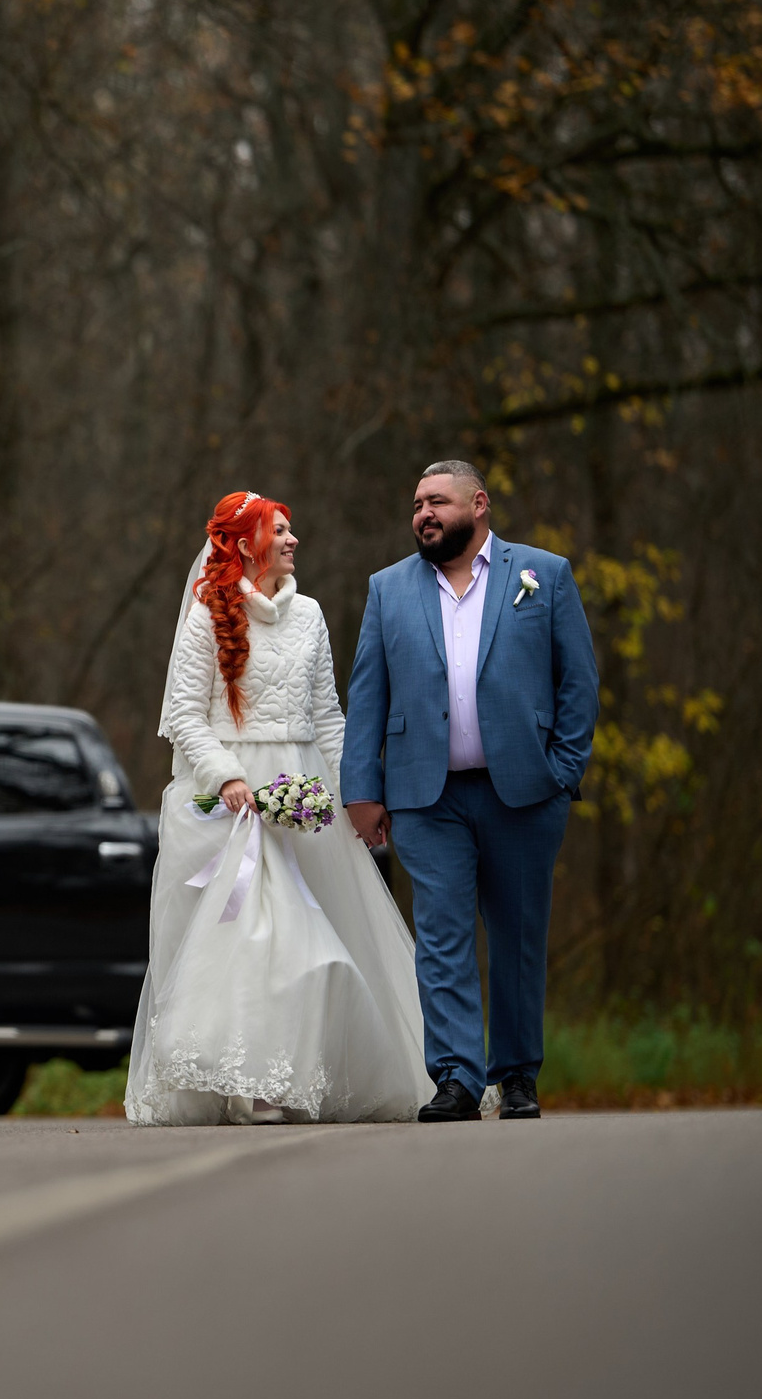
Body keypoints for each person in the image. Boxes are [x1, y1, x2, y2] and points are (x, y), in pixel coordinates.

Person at [126, 492, 430, 1126]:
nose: (293, 540)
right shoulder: (208, 615)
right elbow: (184, 715)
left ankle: (298, 1075)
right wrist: (228, 777)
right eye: (279, 530)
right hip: (229, 801)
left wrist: (356, 791)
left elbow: (326, 716)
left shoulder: (311, 615)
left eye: (292, 529)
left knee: (315, 944)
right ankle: (252, 1086)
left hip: (301, 791)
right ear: (243, 545)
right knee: (257, 942)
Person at [340, 461, 598, 1122]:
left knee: (516, 936)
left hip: (523, 792)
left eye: (438, 500)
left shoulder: (543, 576)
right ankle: (456, 1076)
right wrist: (362, 788)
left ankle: (516, 1076)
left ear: (478, 504)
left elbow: (578, 683)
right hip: (426, 797)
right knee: (442, 933)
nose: (424, 512)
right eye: (417, 502)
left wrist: (562, 771)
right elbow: (367, 694)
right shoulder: (389, 588)